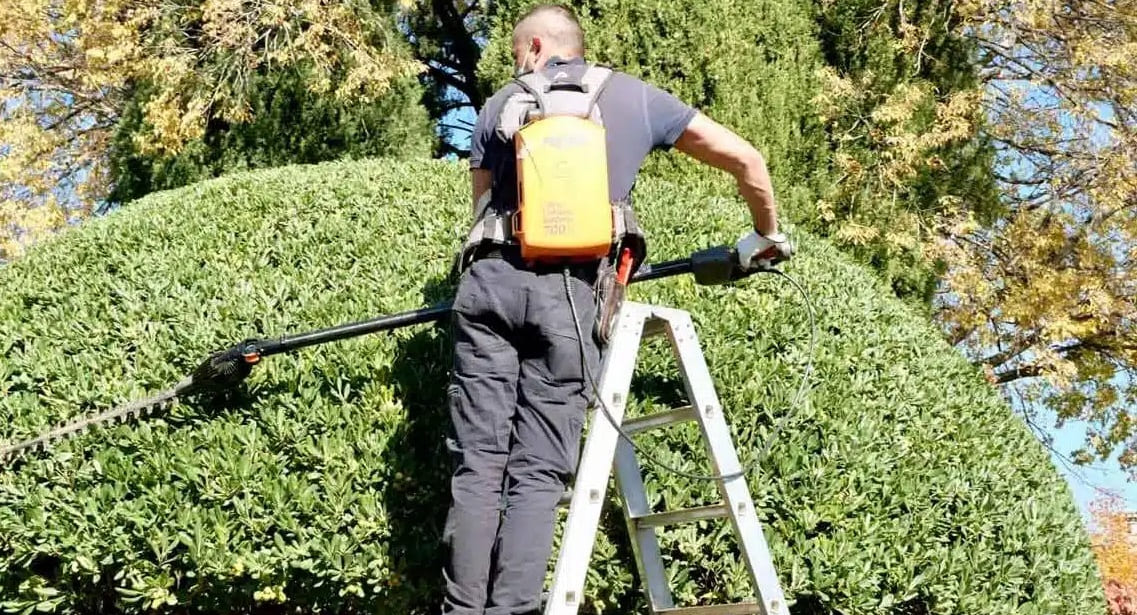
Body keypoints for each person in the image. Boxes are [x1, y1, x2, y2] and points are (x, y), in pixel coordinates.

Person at [441, 4, 790, 614]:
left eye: (518, 51)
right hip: (573, 301)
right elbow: (749, 160)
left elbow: (480, 212)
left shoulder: (500, 104)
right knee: (537, 475)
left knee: (478, 467)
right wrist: (765, 235)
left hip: (490, 289)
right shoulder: (635, 97)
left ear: (536, 47)